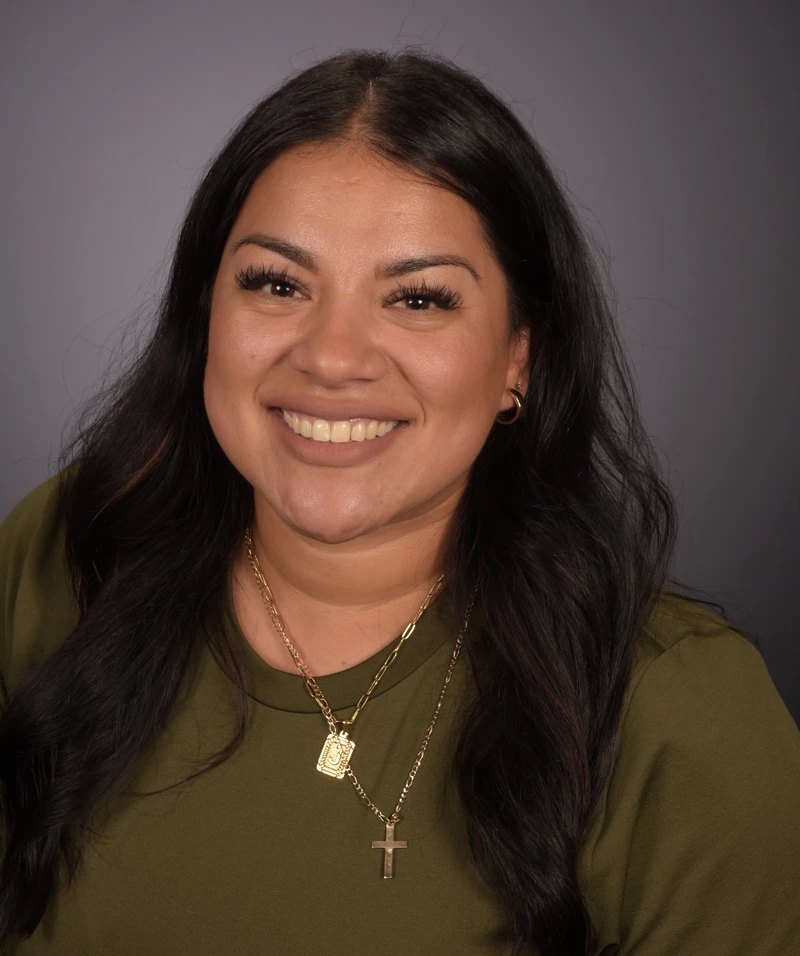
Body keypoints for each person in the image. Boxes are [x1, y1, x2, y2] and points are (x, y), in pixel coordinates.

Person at [1, 48, 798, 956]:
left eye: (418, 298)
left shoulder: (679, 710)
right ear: (203, 318)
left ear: (519, 360)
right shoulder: (70, 549)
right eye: (276, 283)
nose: (333, 356)